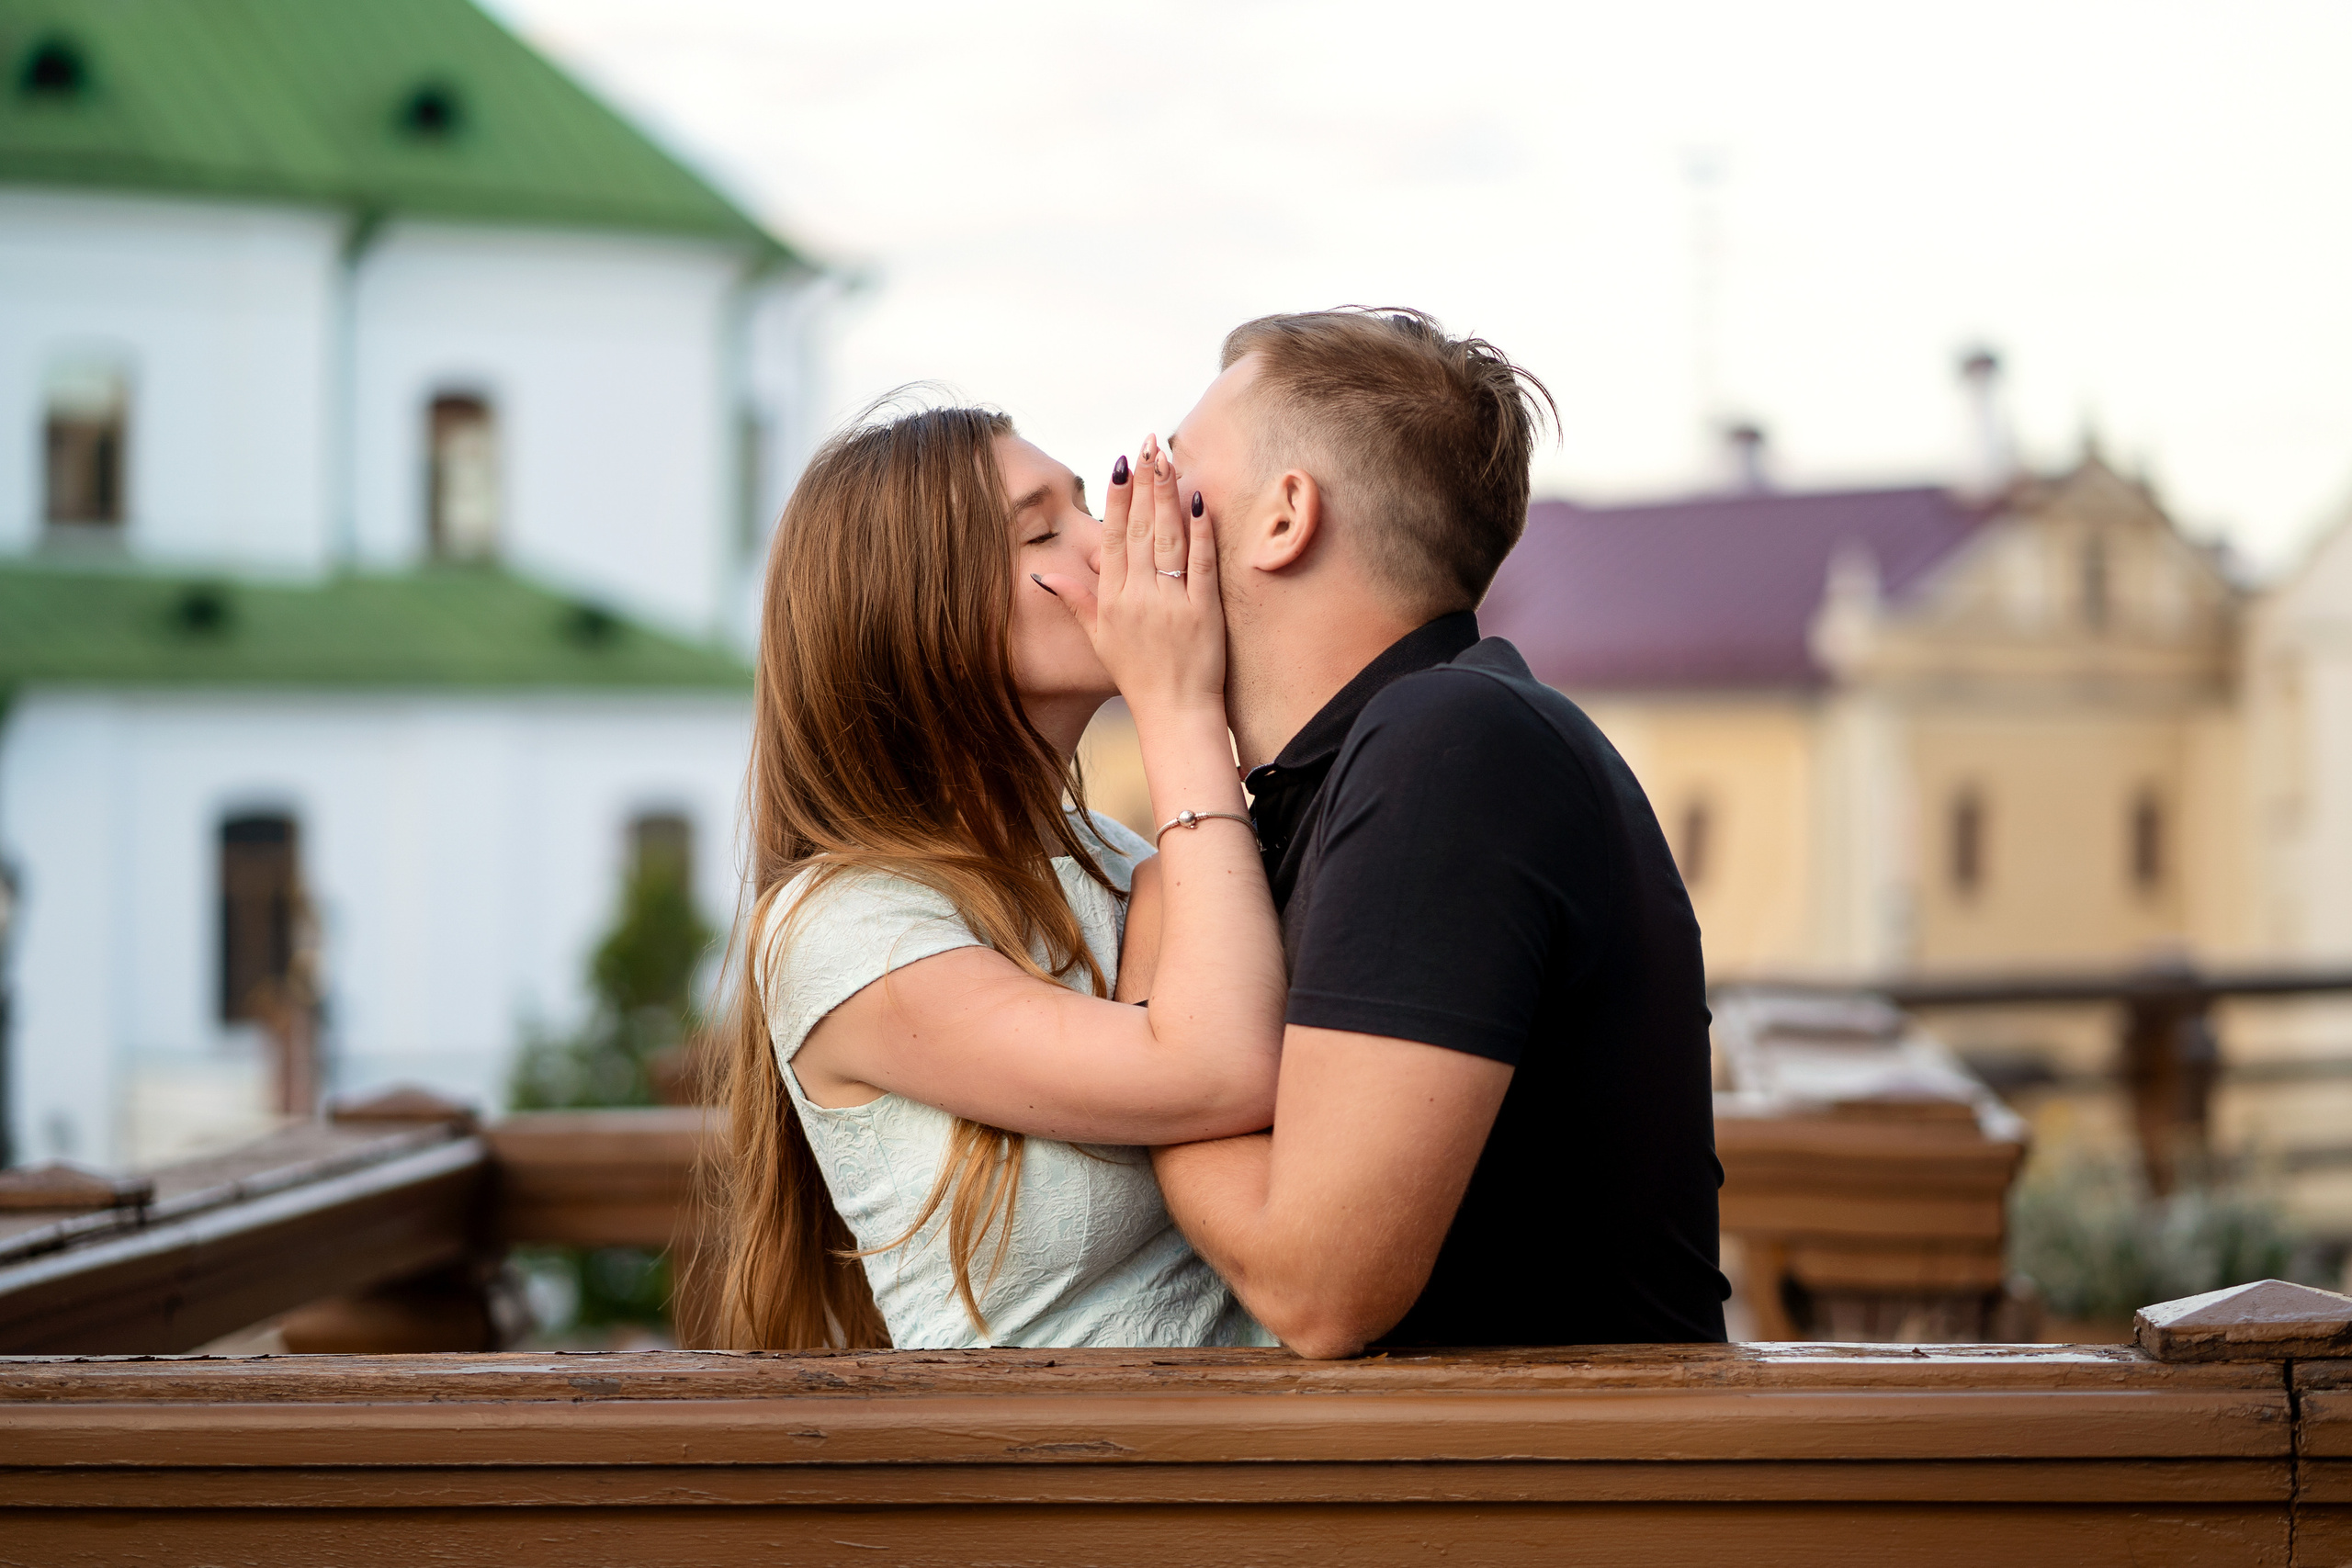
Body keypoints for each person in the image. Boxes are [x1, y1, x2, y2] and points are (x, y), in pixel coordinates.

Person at [1093, 310, 1731, 1357]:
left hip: (1569, 1507)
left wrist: (1167, 1044)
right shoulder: (1368, 768)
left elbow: (1318, 1287)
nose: (1137, 514)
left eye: (1178, 475)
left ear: (1283, 517)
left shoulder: (1450, 744)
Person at [708, 403, 1283, 1350]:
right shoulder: (840, 927)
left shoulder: (1125, 862)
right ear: (920, 614)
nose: (1107, 544)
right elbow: (1220, 1067)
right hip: (1049, 1478)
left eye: (1089, 508)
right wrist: (1179, 704)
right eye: (1043, 530)